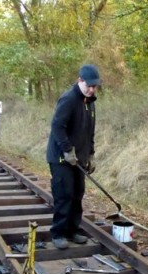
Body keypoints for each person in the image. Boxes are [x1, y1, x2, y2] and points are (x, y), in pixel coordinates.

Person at [46, 64, 100, 249]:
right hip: (61, 158)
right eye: (89, 86)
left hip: (79, 159)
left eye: (95, 86)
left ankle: (72, 230)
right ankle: (58, 233)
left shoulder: (90, 103)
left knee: (77, 194)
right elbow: (57, 127)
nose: (92, 89)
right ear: (80, 81)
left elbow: (89, 132)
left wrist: (90, 154)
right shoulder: (68, 99)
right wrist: (68, 150)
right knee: (64, 194)